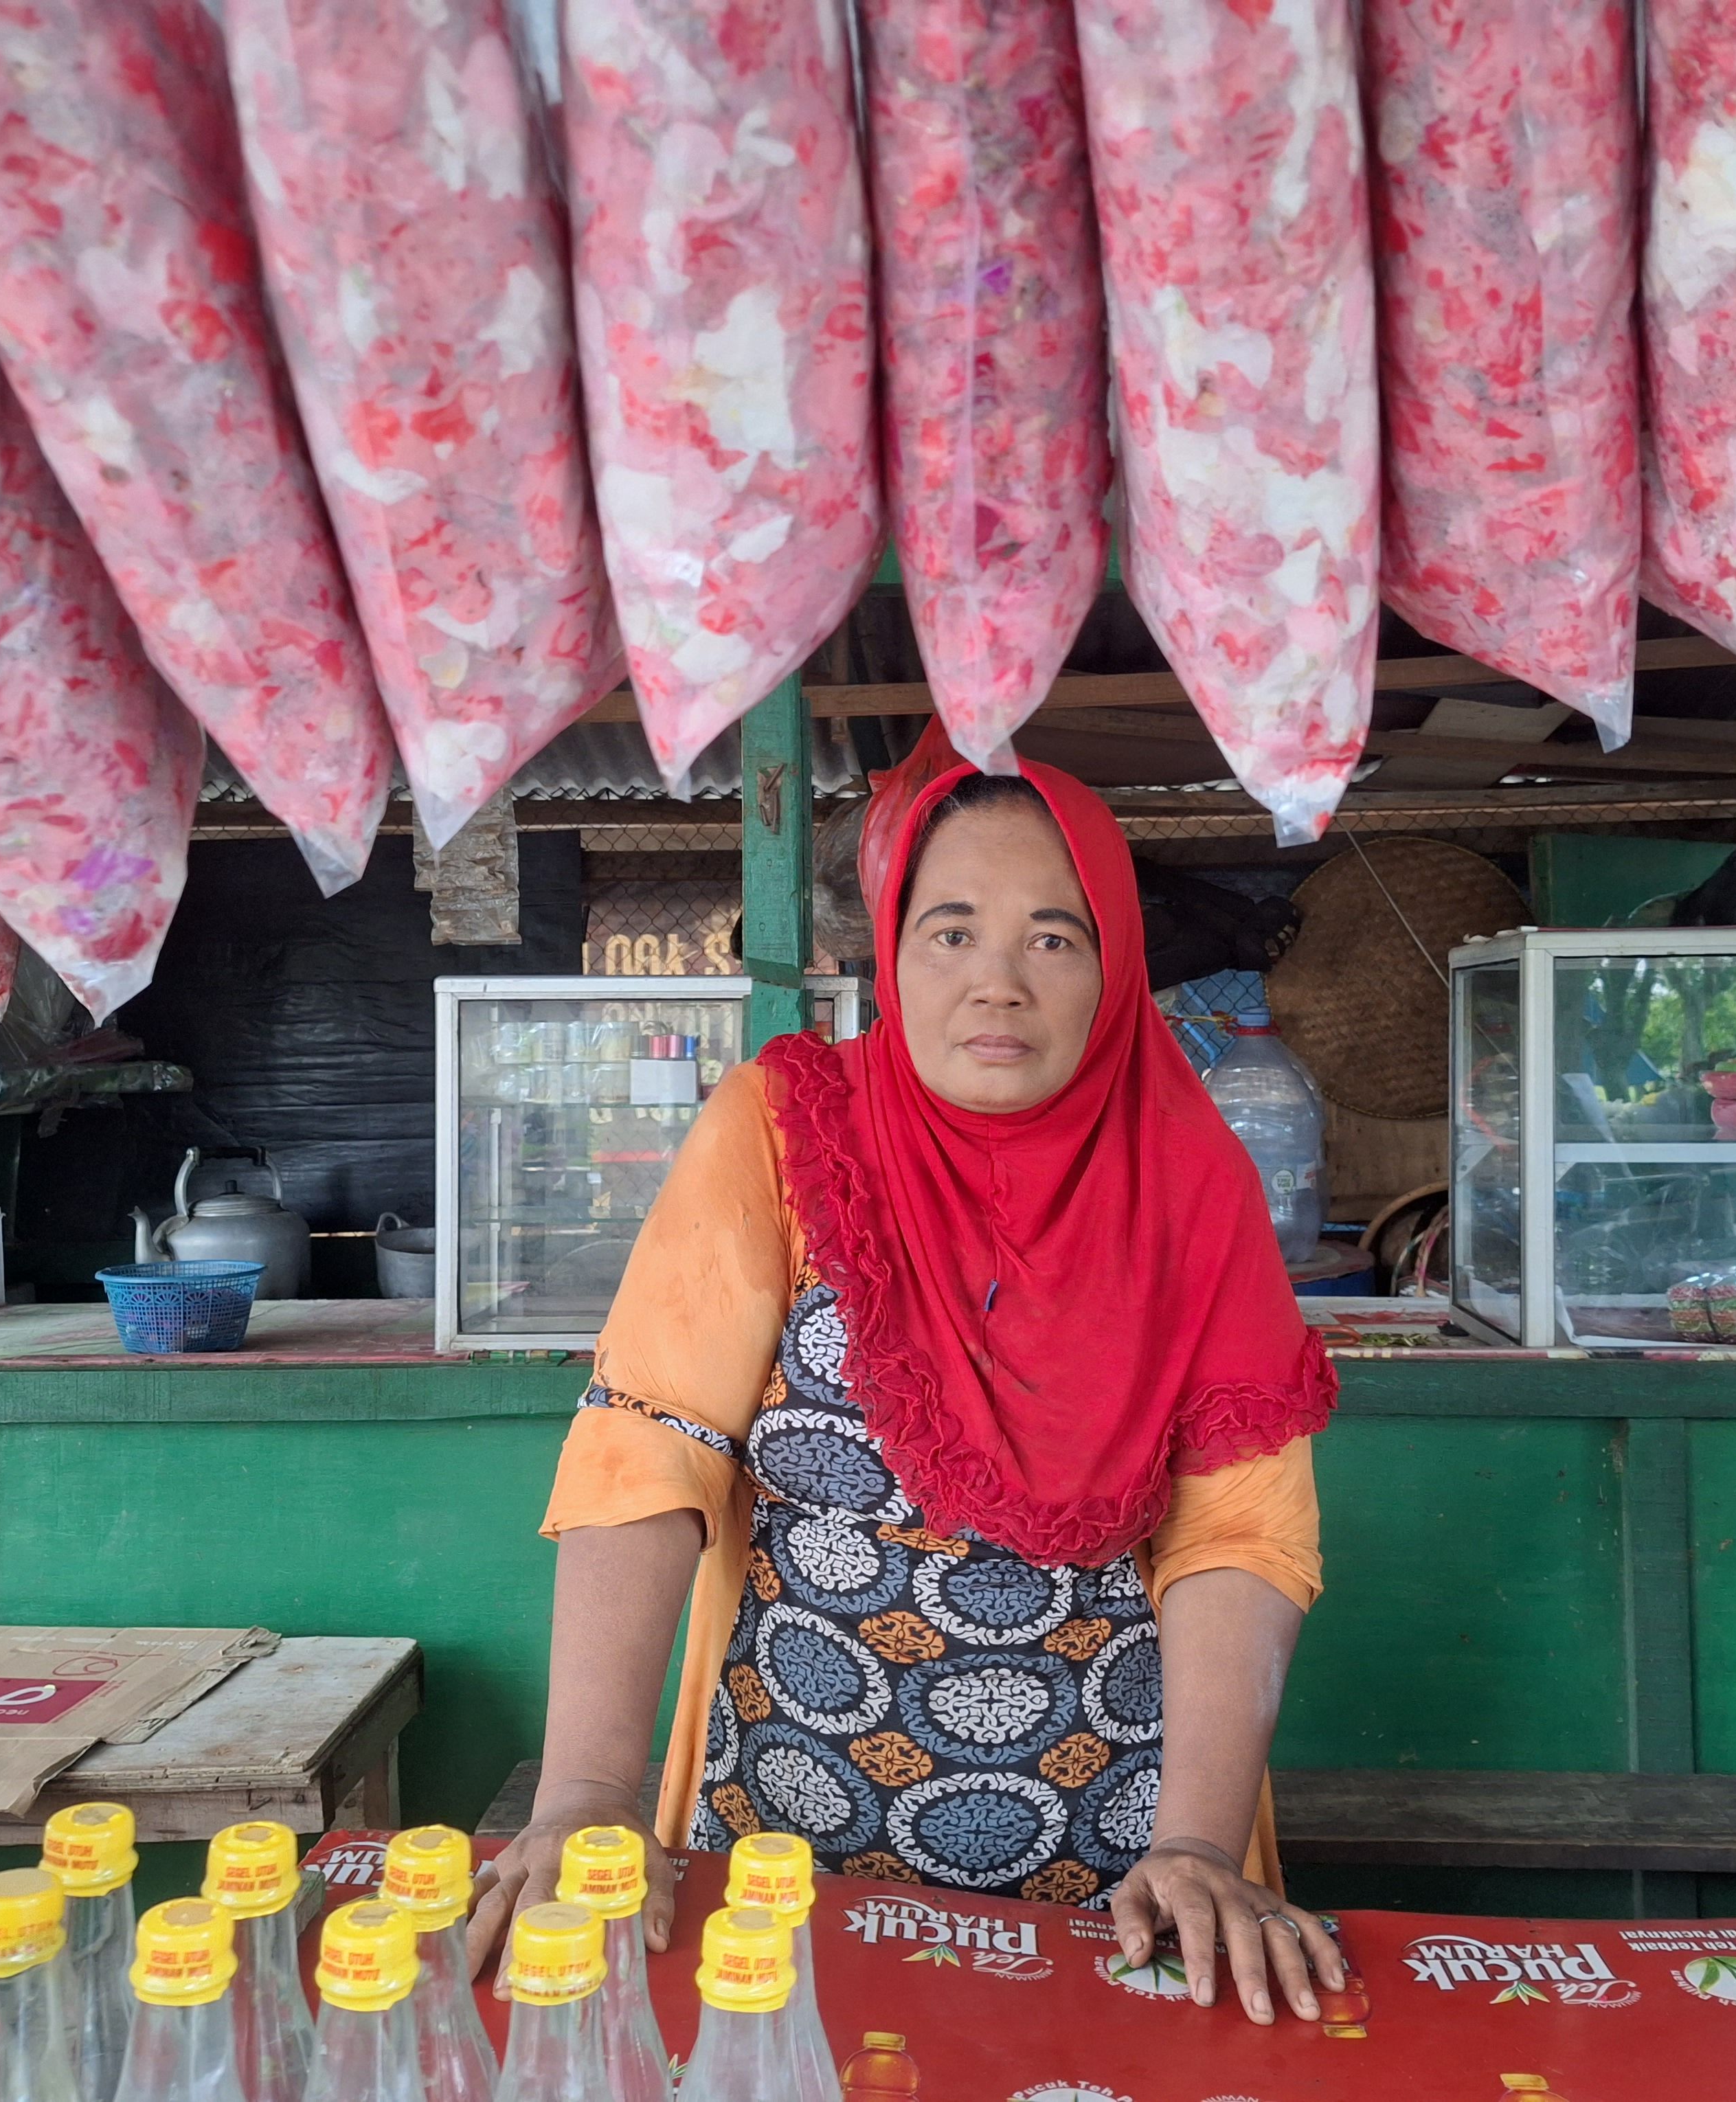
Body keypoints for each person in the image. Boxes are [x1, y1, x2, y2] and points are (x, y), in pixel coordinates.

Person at [467, 754, 1346, 2025]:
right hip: (777, 1841)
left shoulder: (1192, 1183)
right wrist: (588, 1795)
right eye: (951, 932)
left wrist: (1201, 1848)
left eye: (1055, 935)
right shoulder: (783, 1129)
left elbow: (1240, 1534)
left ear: (1113, 968)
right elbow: (651, 1445)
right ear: (890, 952)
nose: (998, 979)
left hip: (1130, 1868)